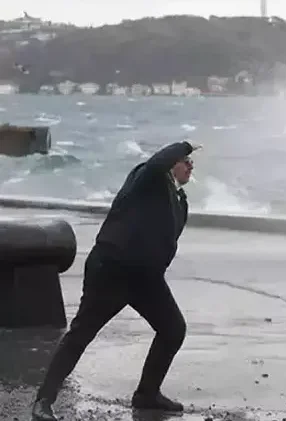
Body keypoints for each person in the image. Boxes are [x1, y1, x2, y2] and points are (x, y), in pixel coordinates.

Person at [32, 141, 201, 421]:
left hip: (145, 278)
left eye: (190, 161)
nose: (190, 165)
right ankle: (43, 402)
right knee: (81, 335)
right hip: (112, 270)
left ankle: (147, 393)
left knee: (173, 329)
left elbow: (166, 240)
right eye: (185, 160)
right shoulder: (148, 178)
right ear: (172, 162)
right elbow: (157, 162)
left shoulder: (180, 200)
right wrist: (184, 145)